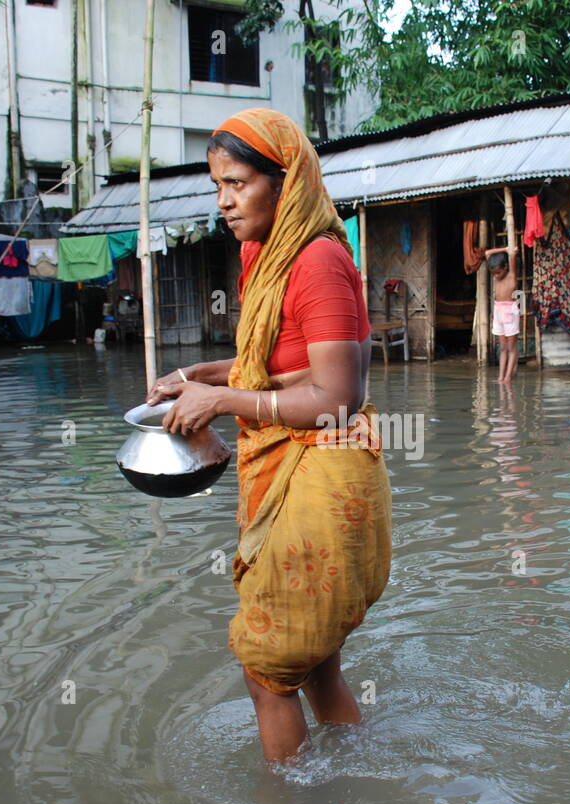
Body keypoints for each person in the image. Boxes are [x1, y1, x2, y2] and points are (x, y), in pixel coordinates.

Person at [146, 108, 393, 765]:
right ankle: (357, 779)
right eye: (217, 187)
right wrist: (197, 376)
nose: (224, 202)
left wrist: (222, 399)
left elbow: (336, 397)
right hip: (297, 474)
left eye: (238, 183)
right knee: (313, 669)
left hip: (322, 478)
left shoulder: (317, 261)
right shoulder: (265, 255)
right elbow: (280, 370)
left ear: (285, 182)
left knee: (265, 672)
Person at [484, 246, 519, 382]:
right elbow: (487, 253)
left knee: (511, 348)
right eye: (493, 273)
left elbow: (512, 255)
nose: (496, 276)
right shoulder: (496, 276)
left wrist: (510, 252)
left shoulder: (511, 276)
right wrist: (505, 248)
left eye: (498, 272)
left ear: (505, 268)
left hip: (510, 311)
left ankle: (508, 376)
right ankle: (500, 377)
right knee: (503, 347)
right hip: (498, 310)